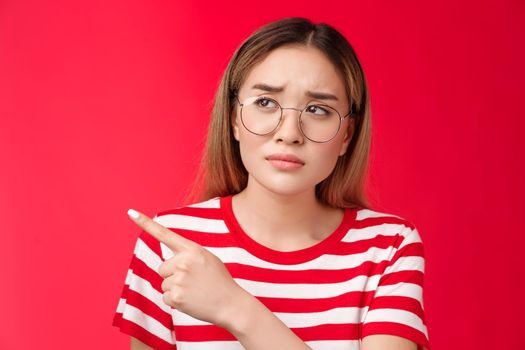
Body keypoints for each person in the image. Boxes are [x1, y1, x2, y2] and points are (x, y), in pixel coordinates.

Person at [112, 17, 430, 350]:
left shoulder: (389, 246)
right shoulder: (171, 244)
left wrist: (234, 307)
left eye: (318, 109)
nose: (289, 133)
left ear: (346, 137)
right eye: (265, 103)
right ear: (234, 118)